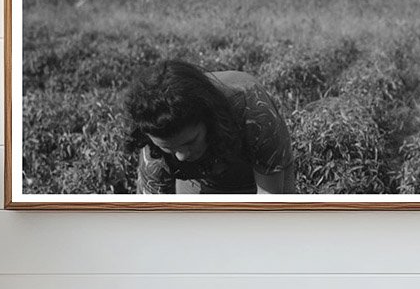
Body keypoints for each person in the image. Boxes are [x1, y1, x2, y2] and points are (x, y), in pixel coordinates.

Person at [125, 59, 295, 195]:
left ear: (209, 118)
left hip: (261, 172)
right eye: (169, 148)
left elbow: (269, 198)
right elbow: (154, 215)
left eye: (190, 142)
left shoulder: (252, 108)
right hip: (198, 178)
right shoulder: (154, 138)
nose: (181, 156)